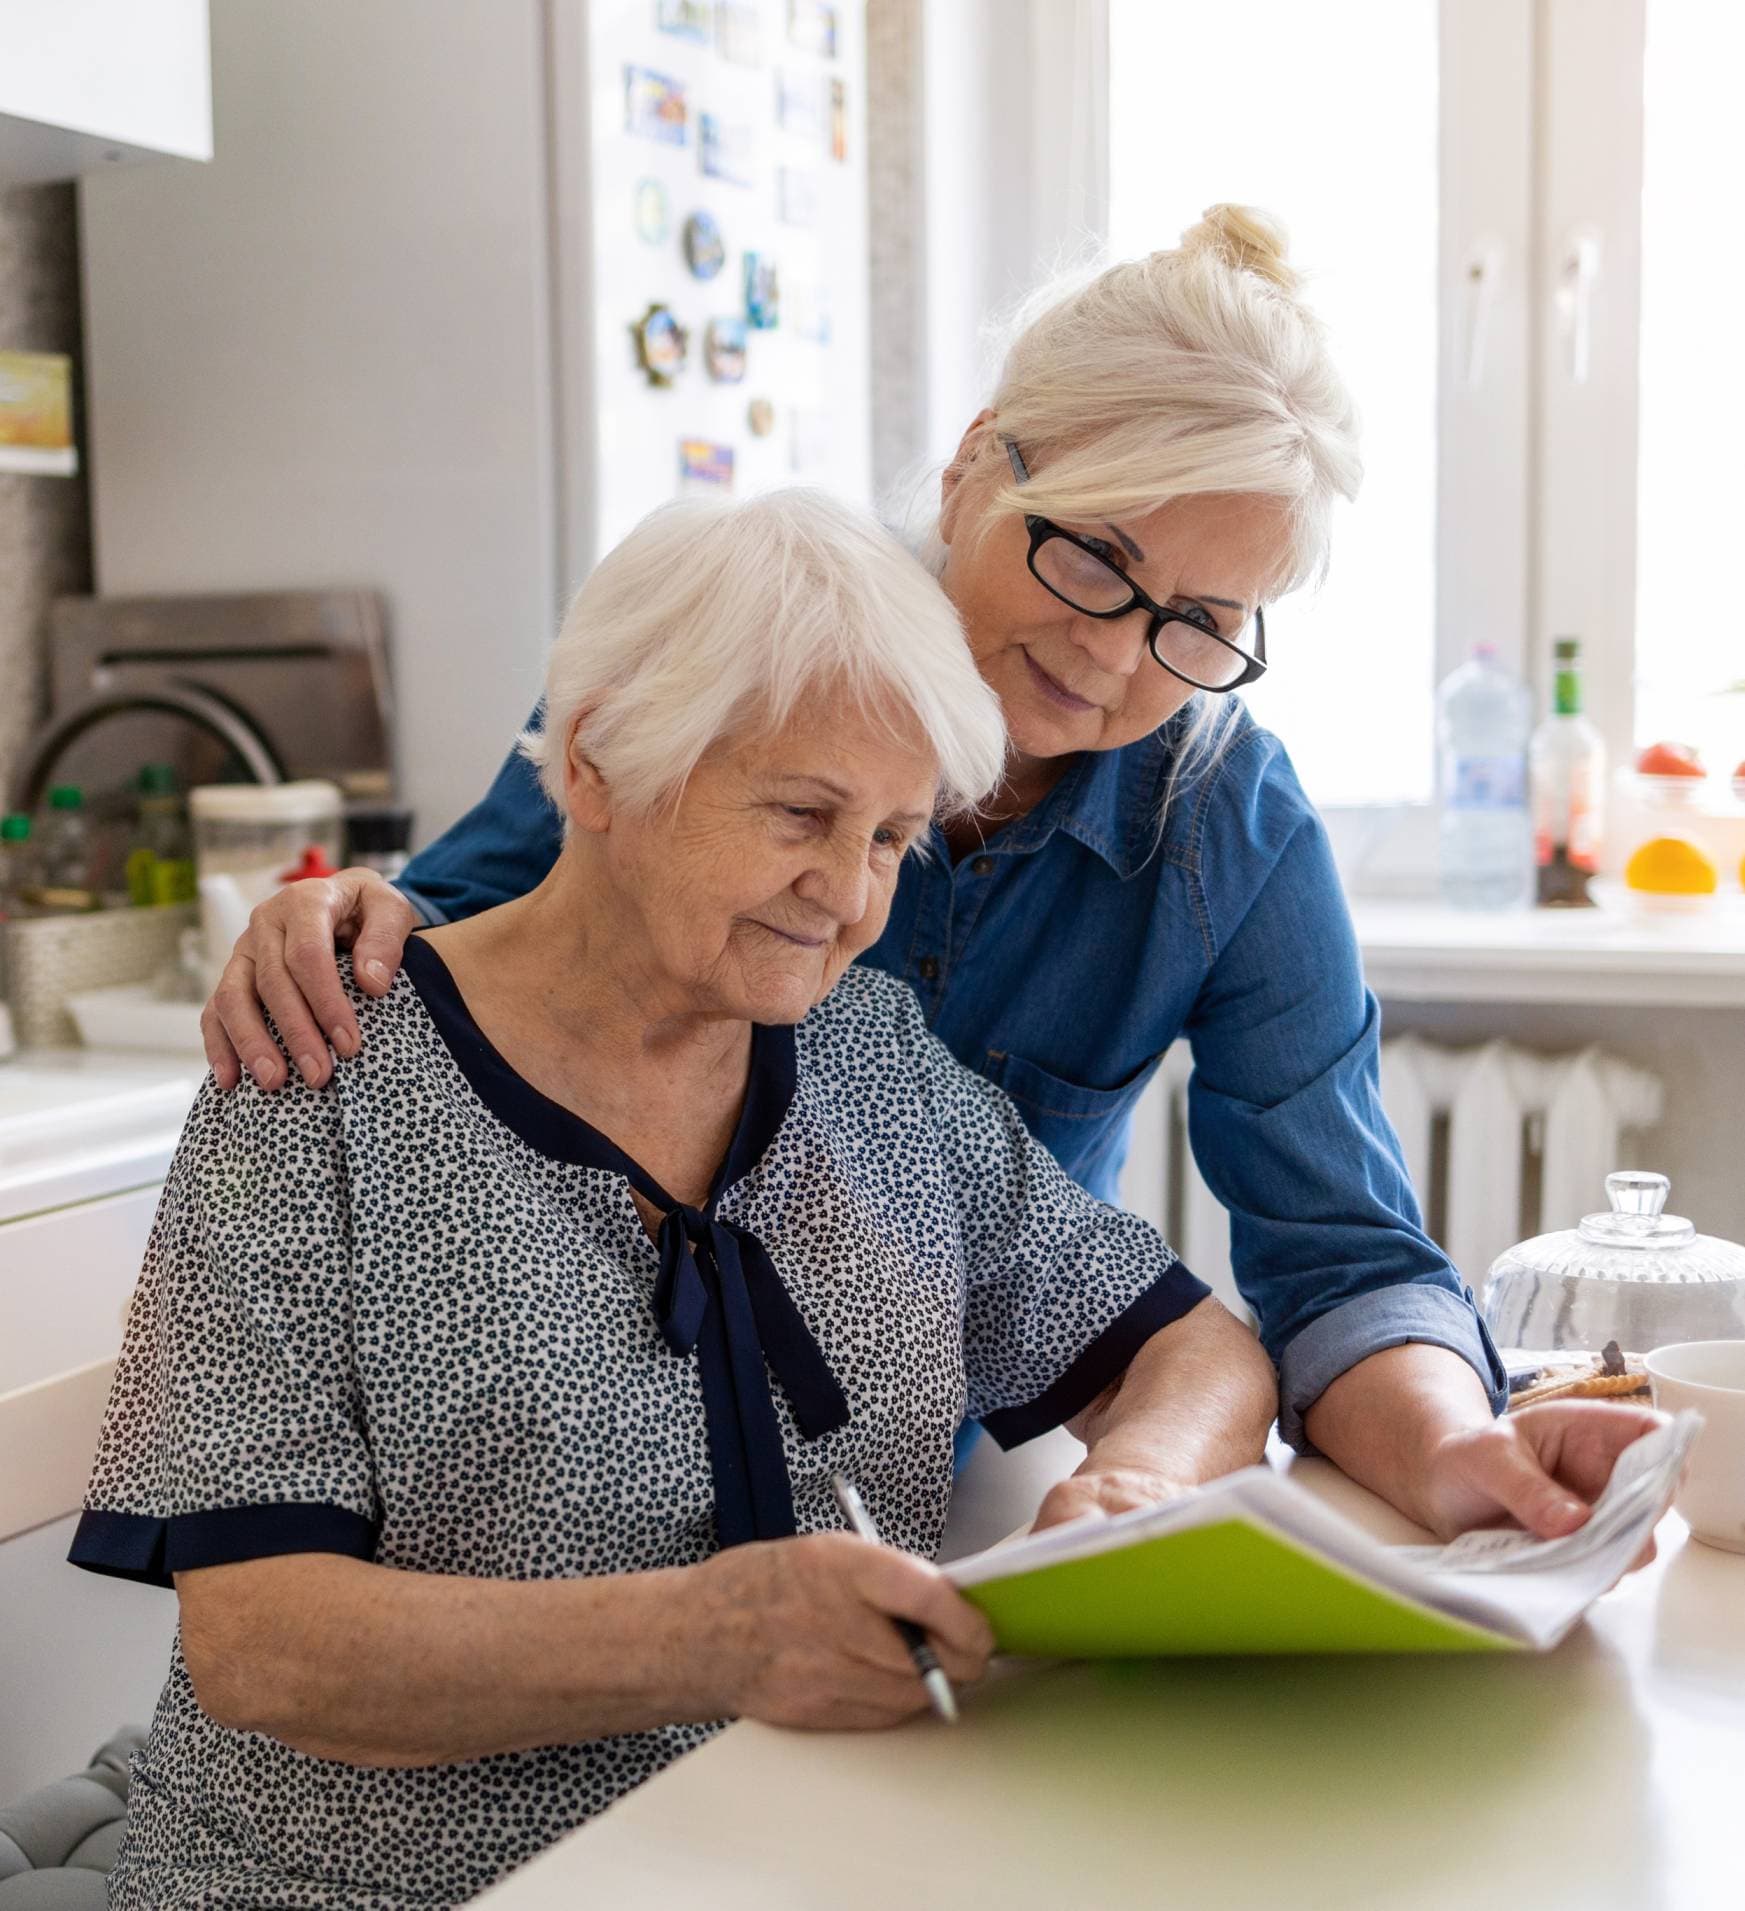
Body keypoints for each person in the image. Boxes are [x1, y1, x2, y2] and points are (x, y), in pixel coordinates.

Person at [203, 204, 1664, 1552]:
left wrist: (1455, 1447)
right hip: (562, 1479)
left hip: (920, 1482)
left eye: (1199, 620)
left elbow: (1341, 1258)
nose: (1109, 654)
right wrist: (341, 915)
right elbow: (459, 945)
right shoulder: (736, 653)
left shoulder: (1226, 820)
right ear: (976, 463)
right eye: (1094, 557)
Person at [72, 490, 1280, 1907]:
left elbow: (1194, 1351)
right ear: (596, 764)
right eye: (800, 813)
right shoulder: (320, 1066)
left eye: (893, 838)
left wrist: (1131, 1487)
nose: (844, 897)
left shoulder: (869, 1059)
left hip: (798, 1859)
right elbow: (265, 1646)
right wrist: (711, 1637)